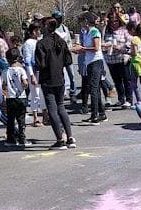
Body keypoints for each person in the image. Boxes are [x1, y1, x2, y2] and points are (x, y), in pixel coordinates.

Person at [36, 16, 76, 149]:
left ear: (46, 27)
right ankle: (70, 137)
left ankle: (60, 139)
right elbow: (68, 60)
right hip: (60, 78)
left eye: (42, 25)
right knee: (61, 107)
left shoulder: (41, 44)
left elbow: (40, 64)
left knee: (52, 109)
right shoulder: (61, 41)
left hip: (48, 79)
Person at [75, 12, 107, 124]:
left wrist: (83, 48)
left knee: (93, 89)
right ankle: (102, 113)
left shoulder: (94, 31)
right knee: (96, 88)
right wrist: (80, 50)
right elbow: (87, 48)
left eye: (82, 20)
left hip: (96, 62)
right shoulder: (86, 32)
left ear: (87, 21)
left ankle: (95, 114)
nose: (81, 23)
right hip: (89, 62)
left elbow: (96, 47)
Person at [104, 13, 136, 108]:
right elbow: (103, 42)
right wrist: (106, 46)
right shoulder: (107, 31)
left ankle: (129, 99)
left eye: (116, 21)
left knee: (126, 80)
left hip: (122, 58)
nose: (114, 23)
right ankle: (121, 99)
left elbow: (130, 41)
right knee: (117, 81)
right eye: (112, 21)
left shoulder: (124, 30)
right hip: (111, 60)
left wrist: (122, 46)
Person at [2, 48, 29, 148]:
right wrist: (24, 86)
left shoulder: (5, 71)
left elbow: (4, 86)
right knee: (21, 119)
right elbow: (25, 83)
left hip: (10, 97)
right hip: (21, 96)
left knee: (10, 119)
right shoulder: (21, 70)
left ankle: (11, 139)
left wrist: (5, 93)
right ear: (18, 58)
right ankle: (22, 138)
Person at [21, 25, 44, 127]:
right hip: (33, 71)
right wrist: (31, 75)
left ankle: (45, 115)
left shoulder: (40, 41)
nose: (39, 32)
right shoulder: (28, 43)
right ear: (32, 32)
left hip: (42, 70)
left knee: (43, 93)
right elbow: (27, 60)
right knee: (35, 94)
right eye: (37, 30)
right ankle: (35, 118)